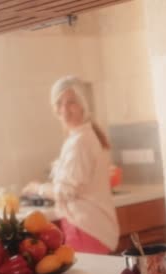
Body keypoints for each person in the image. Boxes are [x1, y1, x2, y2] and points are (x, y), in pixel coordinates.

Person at [22, 76, 119, 254]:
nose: (64, 109)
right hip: (93, 228)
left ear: (83, 104)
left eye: (71, 102)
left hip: (86, 228)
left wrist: (37, 188)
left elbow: (65, 191)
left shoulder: (80, 141)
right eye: (58, 103)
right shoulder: (82, 136)